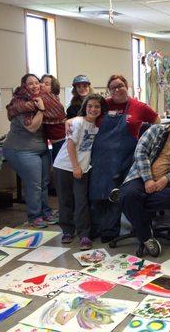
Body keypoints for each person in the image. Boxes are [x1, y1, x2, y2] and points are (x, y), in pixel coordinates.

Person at [88, 74, 160, 243]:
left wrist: (153, 142)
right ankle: (100, 227)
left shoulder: (139, 106)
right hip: (101, 158)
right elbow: (87, 116)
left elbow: (156, 120)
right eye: (113, 87)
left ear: (127, 86)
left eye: (120, 85)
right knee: (99, 193)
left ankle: (112, 231)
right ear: (109, 90)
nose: (117, 89)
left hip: (126, 158)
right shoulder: (103, 104)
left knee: (117, 193)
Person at [119, 110, 170, 257]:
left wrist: (167, 178)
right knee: (129, 195)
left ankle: (131, 204)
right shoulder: (156, 130)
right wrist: (148, 179)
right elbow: (140, 152)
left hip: (166, 182)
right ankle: (146, 236)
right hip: (141, 176)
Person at [3, 74, 58, 228]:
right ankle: (34, 216)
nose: (35, 86)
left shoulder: (43, 99)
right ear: (24, 86)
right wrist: (40, 109)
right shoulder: (20, 104)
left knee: (44, 183)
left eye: (37, 83)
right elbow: (32, 127)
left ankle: (46, 212)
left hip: (41, 148)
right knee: (34, 185)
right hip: (21, 150)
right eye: (30, 84)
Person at [53, 94, 106, 251]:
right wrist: (75, 167)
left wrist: (80, 168)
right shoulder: (77, 122)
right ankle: (67, 231)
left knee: (82, 201)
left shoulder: (98, 126)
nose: (93, 109)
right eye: (90, 106)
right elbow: (70, 145)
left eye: (97, 106)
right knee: (65, 200)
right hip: (64, 166)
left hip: (82, 168)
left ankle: (84, 234)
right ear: (85, 107)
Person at [40, 74, 66, 161]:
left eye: (46, 84)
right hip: (54, 142)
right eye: (41, 82)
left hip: (61, 142)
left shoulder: (48, 100)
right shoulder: (48, 98)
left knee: (59, 170)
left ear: (53, 88)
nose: (41, 85)